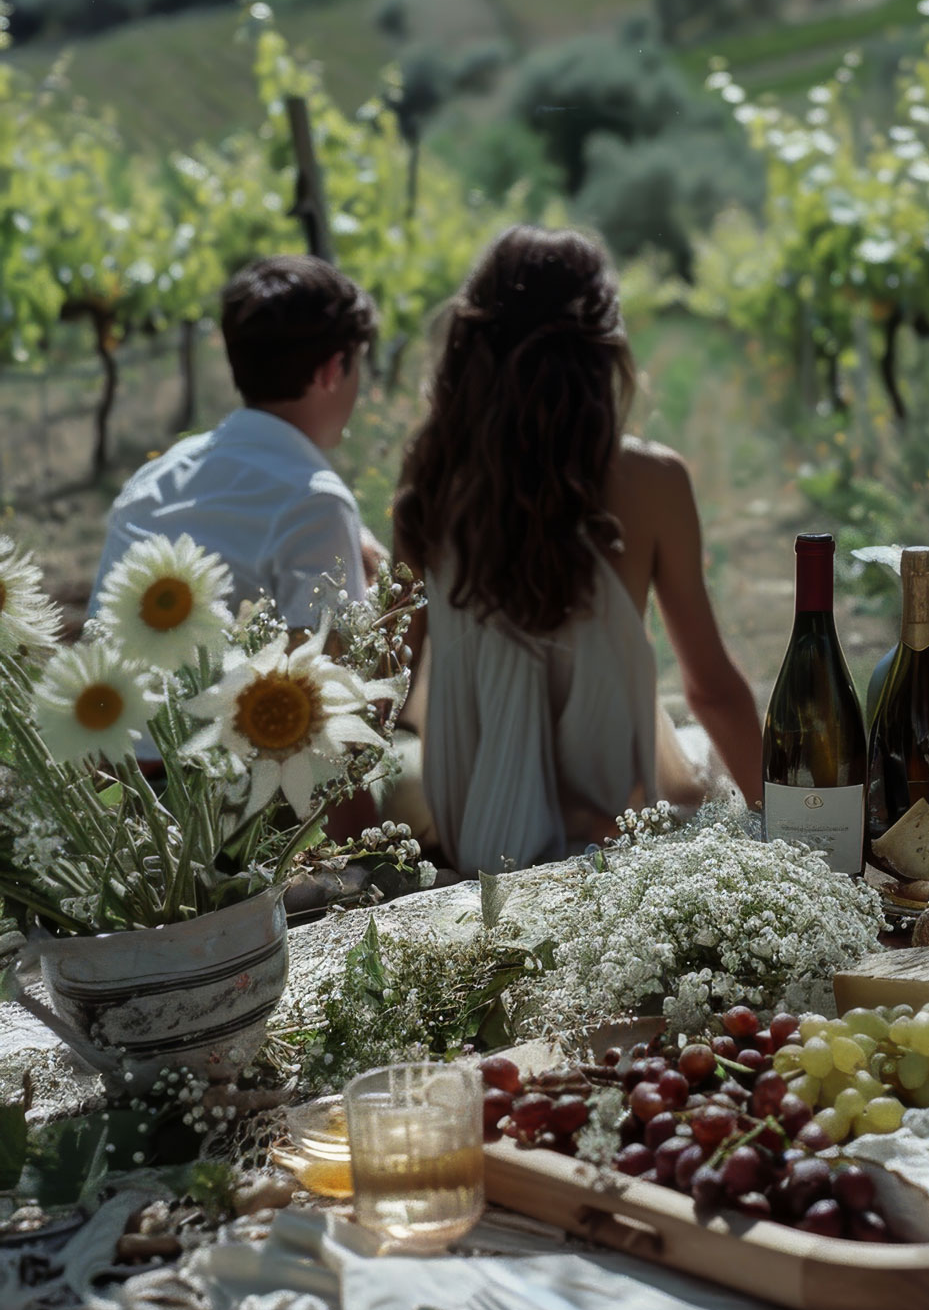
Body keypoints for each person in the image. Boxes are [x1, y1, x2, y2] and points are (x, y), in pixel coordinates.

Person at [391, 224, 763, 875]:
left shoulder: (430, 482)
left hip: (476, 835)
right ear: (604, 348)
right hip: (619, 834)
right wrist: (785, 822)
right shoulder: (652, 481)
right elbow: (711, 691)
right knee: (708, 773)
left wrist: (355, 849)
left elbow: (382, 685)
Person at [89, 254, 382, 626]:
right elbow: (337, 673)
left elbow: (97, 640)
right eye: (357, 366)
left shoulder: (150, 482)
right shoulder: (317, 507)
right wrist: (382, 597)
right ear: (332, 371)